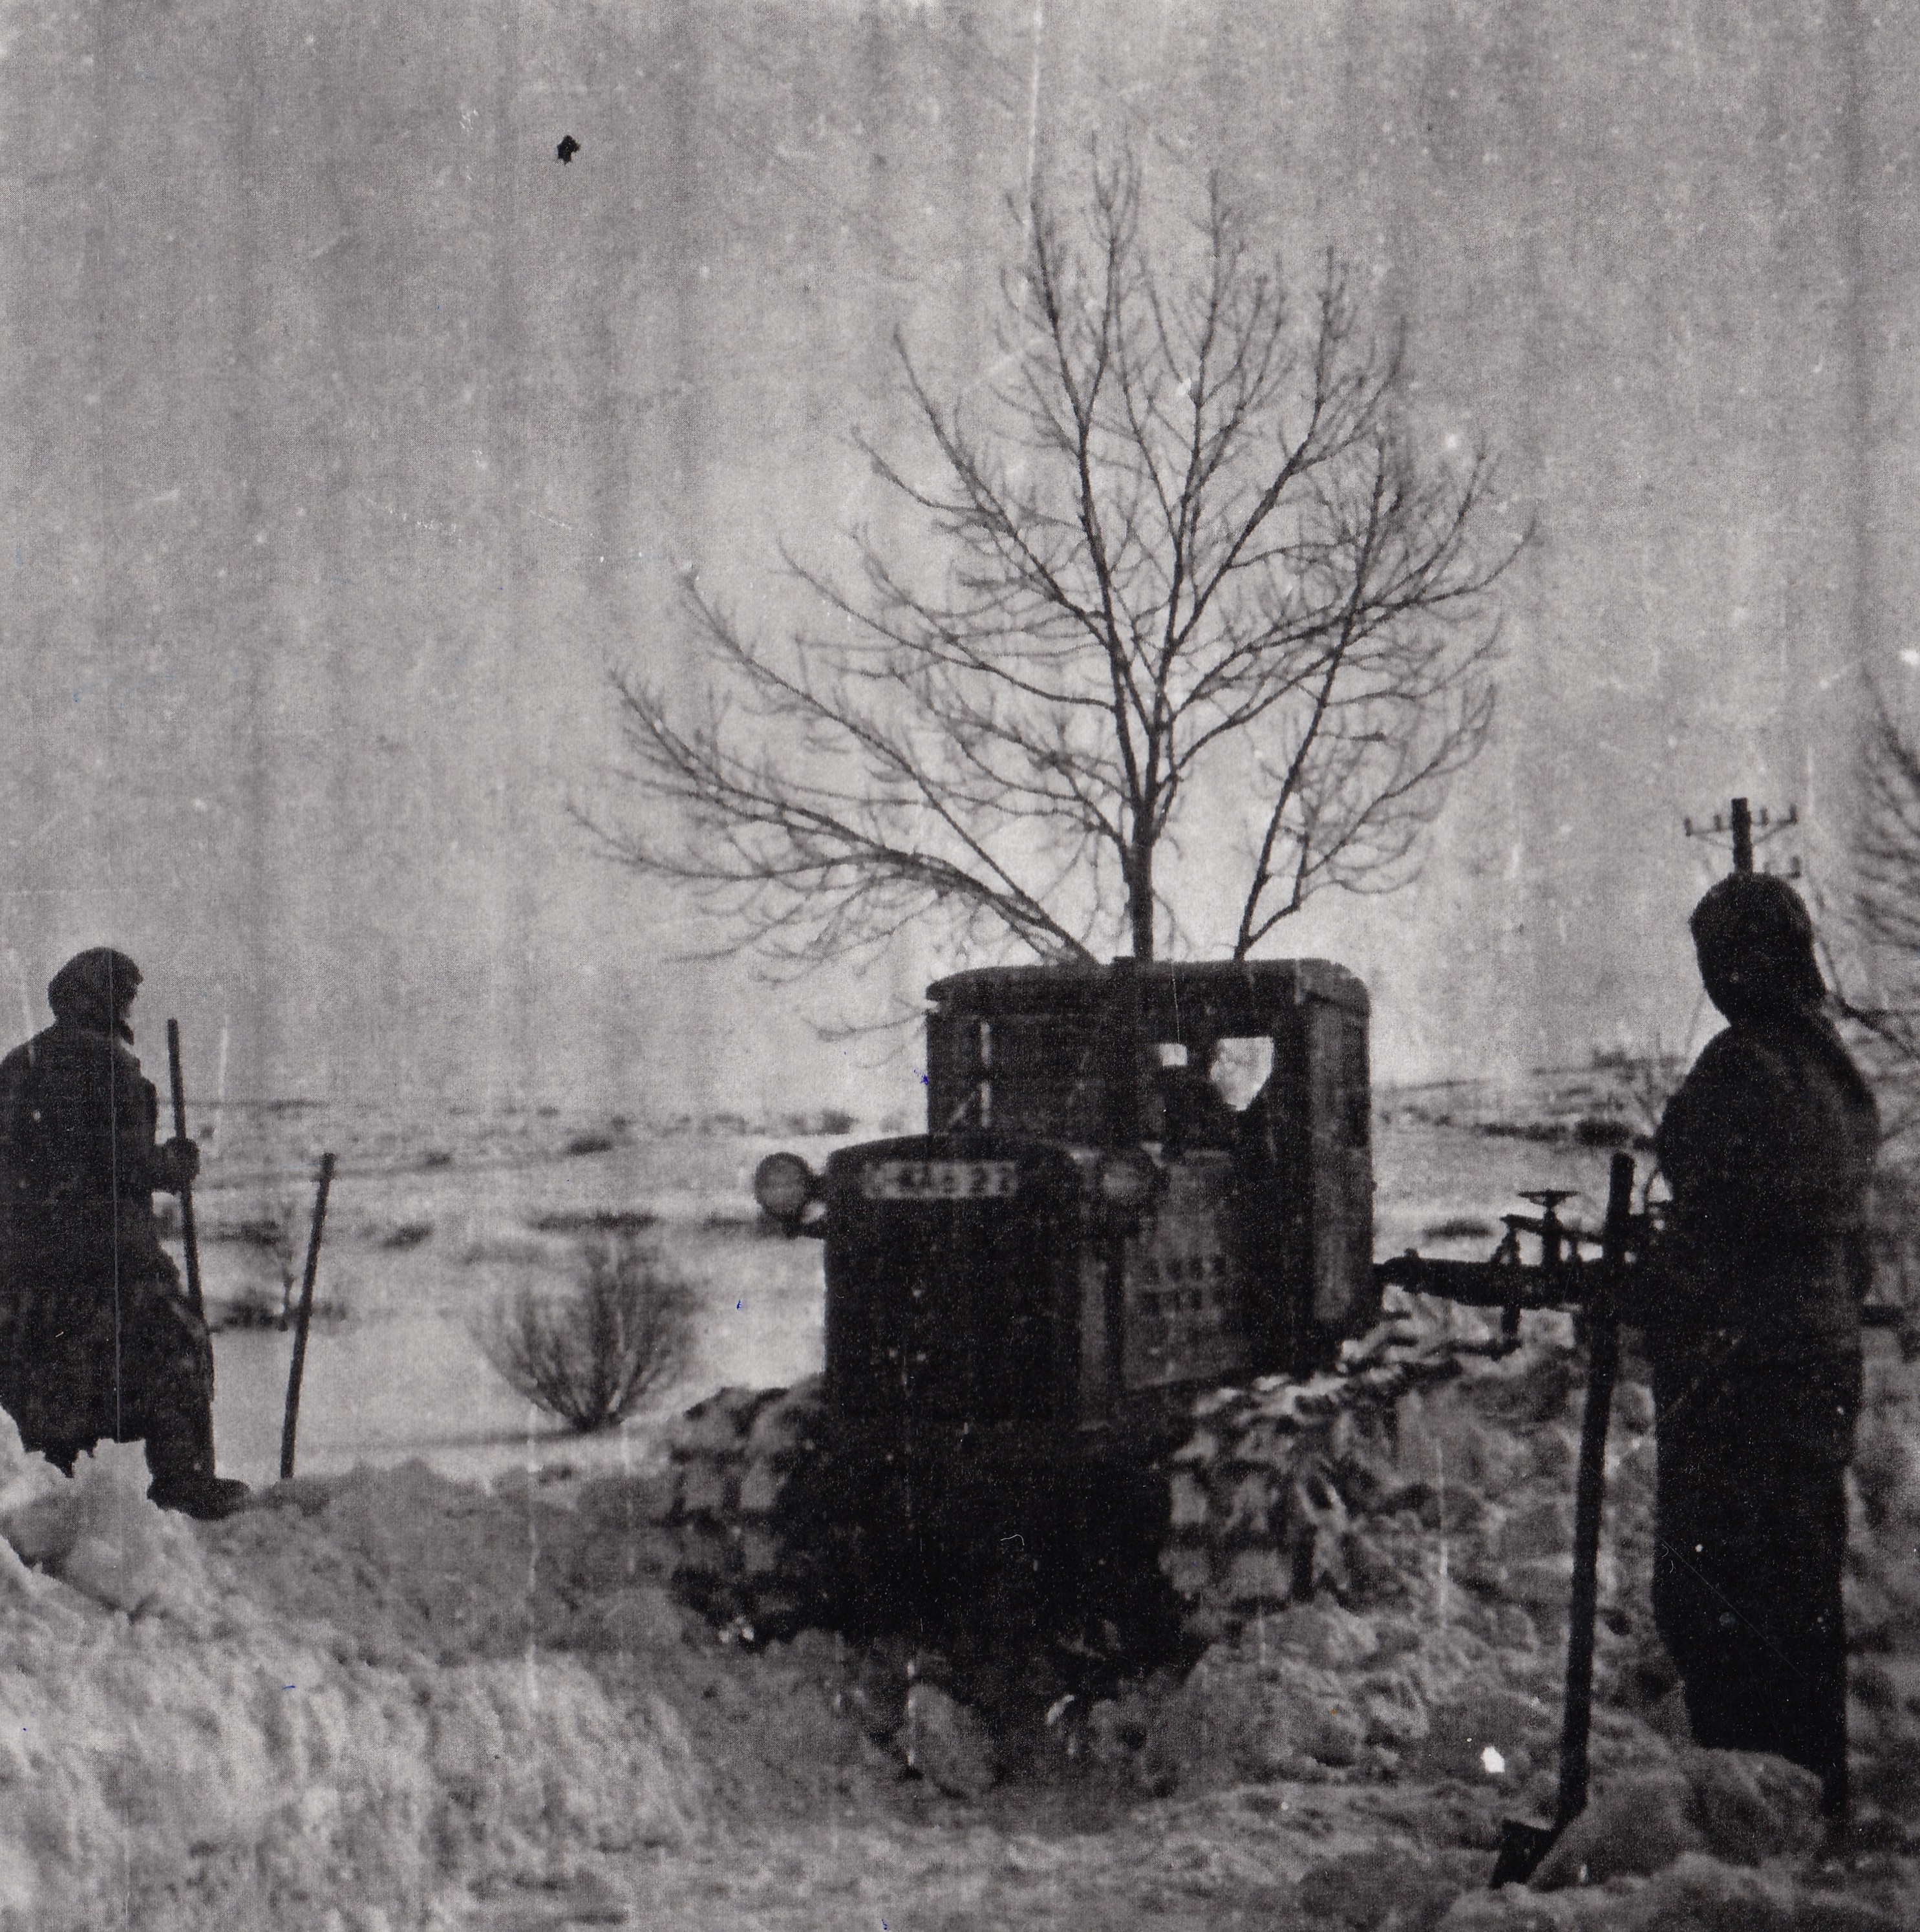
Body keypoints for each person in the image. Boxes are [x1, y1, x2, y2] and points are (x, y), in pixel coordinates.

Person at [1632, 874, 1877, 1823]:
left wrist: (1650, 1291)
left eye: (1717, 959)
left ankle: (1749, 1816)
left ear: (1748, 960)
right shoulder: (1833, 1069)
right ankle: (1809, 1795)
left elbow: (1706, 1213)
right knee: (1798, 1597)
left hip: (1740, 1378)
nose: (1710, 979)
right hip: (1818, 1363)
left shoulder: (1741, 1067)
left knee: (1712, 1600)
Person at [0, 948, 250, 1518]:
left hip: (23, 1260)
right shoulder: (107, 1063)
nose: (129, 1007)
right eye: (125, 994)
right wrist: (173, 1164)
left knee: (49, 1368)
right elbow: (122, 1160)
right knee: (174, 1344)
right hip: (109, 1251)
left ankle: (50, 1490)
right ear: (102, 997)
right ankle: (184, 1480)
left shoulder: (17, 1064)